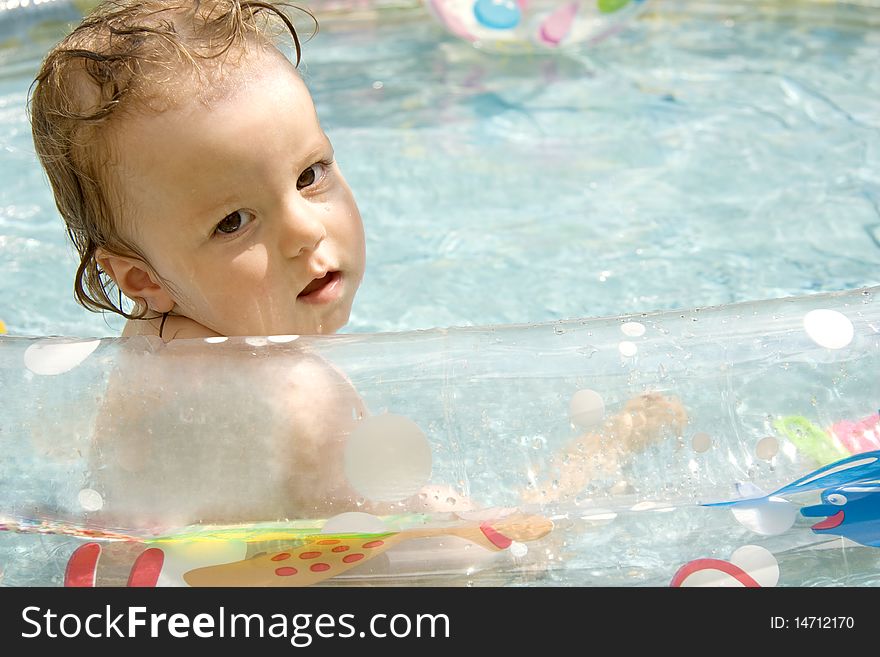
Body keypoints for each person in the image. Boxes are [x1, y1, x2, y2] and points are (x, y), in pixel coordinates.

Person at [29, 0, 685, 528]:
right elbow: (452, 558)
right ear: (141, 279)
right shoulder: (301, 395)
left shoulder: (147, 346)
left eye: (310, 174)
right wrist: (577, 483)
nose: (304, 231)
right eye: (233, 221)